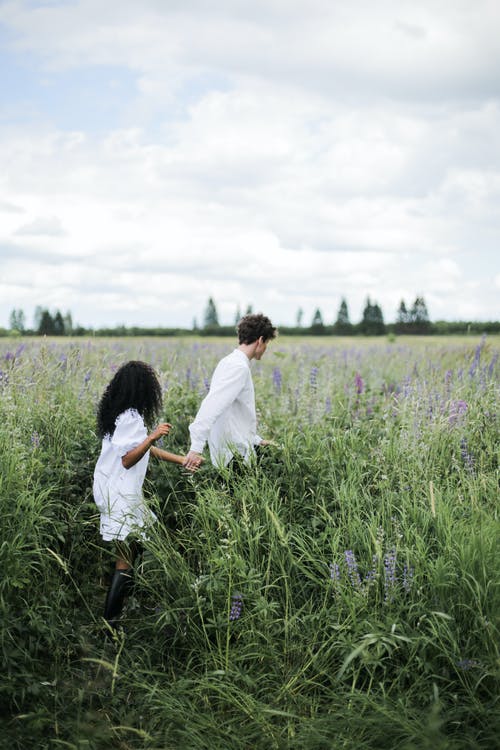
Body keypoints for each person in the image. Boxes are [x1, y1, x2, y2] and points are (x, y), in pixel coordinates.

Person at [93, 360, 201, 632]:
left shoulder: (119, 414)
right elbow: (129, 459)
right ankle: (111, 624)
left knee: (135, 546)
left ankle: (119, 612)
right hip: (120, 492)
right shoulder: (130, 416)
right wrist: (152, 437)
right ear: (142, 389)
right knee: (132, 552)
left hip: (113, 489)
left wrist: (180, 460)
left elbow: (139, 449)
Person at [183, 313, 277, 471]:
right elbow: (212, 404)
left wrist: (256, 440)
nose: (266, 348)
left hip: (233, 452)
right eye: (267, 342)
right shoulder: (238, 367)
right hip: (234, 456)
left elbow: (233, 413)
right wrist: (196, 447)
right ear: (260, 340)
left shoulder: (229, 362)